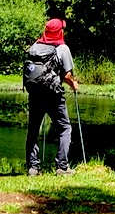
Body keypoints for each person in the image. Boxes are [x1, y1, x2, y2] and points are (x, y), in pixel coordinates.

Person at [23, 17, 80, 175]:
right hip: (53, 95)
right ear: (59, 31)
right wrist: (73, 84)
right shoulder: (62, 48)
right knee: (64, 128)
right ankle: (62, 167)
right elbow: (67, 75)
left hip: (35, 94)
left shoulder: (34, 47)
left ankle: (33, 168)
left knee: (33, 130)